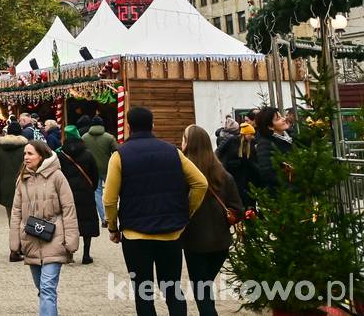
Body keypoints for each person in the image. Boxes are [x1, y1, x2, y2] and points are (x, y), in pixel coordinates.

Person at [103, 107, 208, 316]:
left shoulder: (119, 156)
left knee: (143, 291)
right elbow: (201, 183)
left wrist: (113, 227)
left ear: (128, 126)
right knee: (172, 288)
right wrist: (187, 212)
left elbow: (109, 199)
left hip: (135, 234)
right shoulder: (173, 152)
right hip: (170, 232)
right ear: (153, 125)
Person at [9, 140, 78, 316]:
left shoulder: (57, 176)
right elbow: (16, 211)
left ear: (41, 155)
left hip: (55, 235)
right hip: (31, 238)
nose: (25, 157)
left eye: (30, 153)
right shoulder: (22, 179)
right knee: (42, 288)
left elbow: (69, 208)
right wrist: (14, 241)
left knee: (47, 288)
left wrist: (71, 240)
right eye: (24, 153)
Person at [181, 125, 243, 316]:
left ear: (189, 144)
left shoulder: (183, 174)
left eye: (183, 138)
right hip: (220, 242)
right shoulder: (223, 174)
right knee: (205, 285)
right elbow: (238, 209)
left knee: (202, 290)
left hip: (195, 242)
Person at [57, 125, 100, 264]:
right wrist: (91, 188)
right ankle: (86, 255)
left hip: (66, 193)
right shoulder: (88, 154)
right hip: (85, 193)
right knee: (87, 222)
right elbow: (95, 175)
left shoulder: (60, 155)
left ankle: (69, 254)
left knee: (68, 222)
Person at [82, 115, 117, 228]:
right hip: (108, 169)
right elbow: (117, 152)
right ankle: (113, 217)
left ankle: (103, 218)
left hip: (91, 169)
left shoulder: (84, 137)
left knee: (97, 193)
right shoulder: (109, 138)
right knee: (112, 193)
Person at [215, 122, 258, 208]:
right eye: (251, 134)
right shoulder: (231, 140)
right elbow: (218, 152)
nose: (253, 137)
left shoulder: (250, 144)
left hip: (242, 177)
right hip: (230, 172)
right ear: (245, 134)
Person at [0, 121, 27, 222]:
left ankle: (14, 237)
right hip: (25, 187)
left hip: (6, 189)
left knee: (12, 219)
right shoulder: (26, 148)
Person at [254, 106, 294, 190]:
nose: (283, 119)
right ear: (270, 126)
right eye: (278, 119)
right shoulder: (265, 145)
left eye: (281, 116)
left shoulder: (291, 138)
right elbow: (268, 174)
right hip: (282, 195)